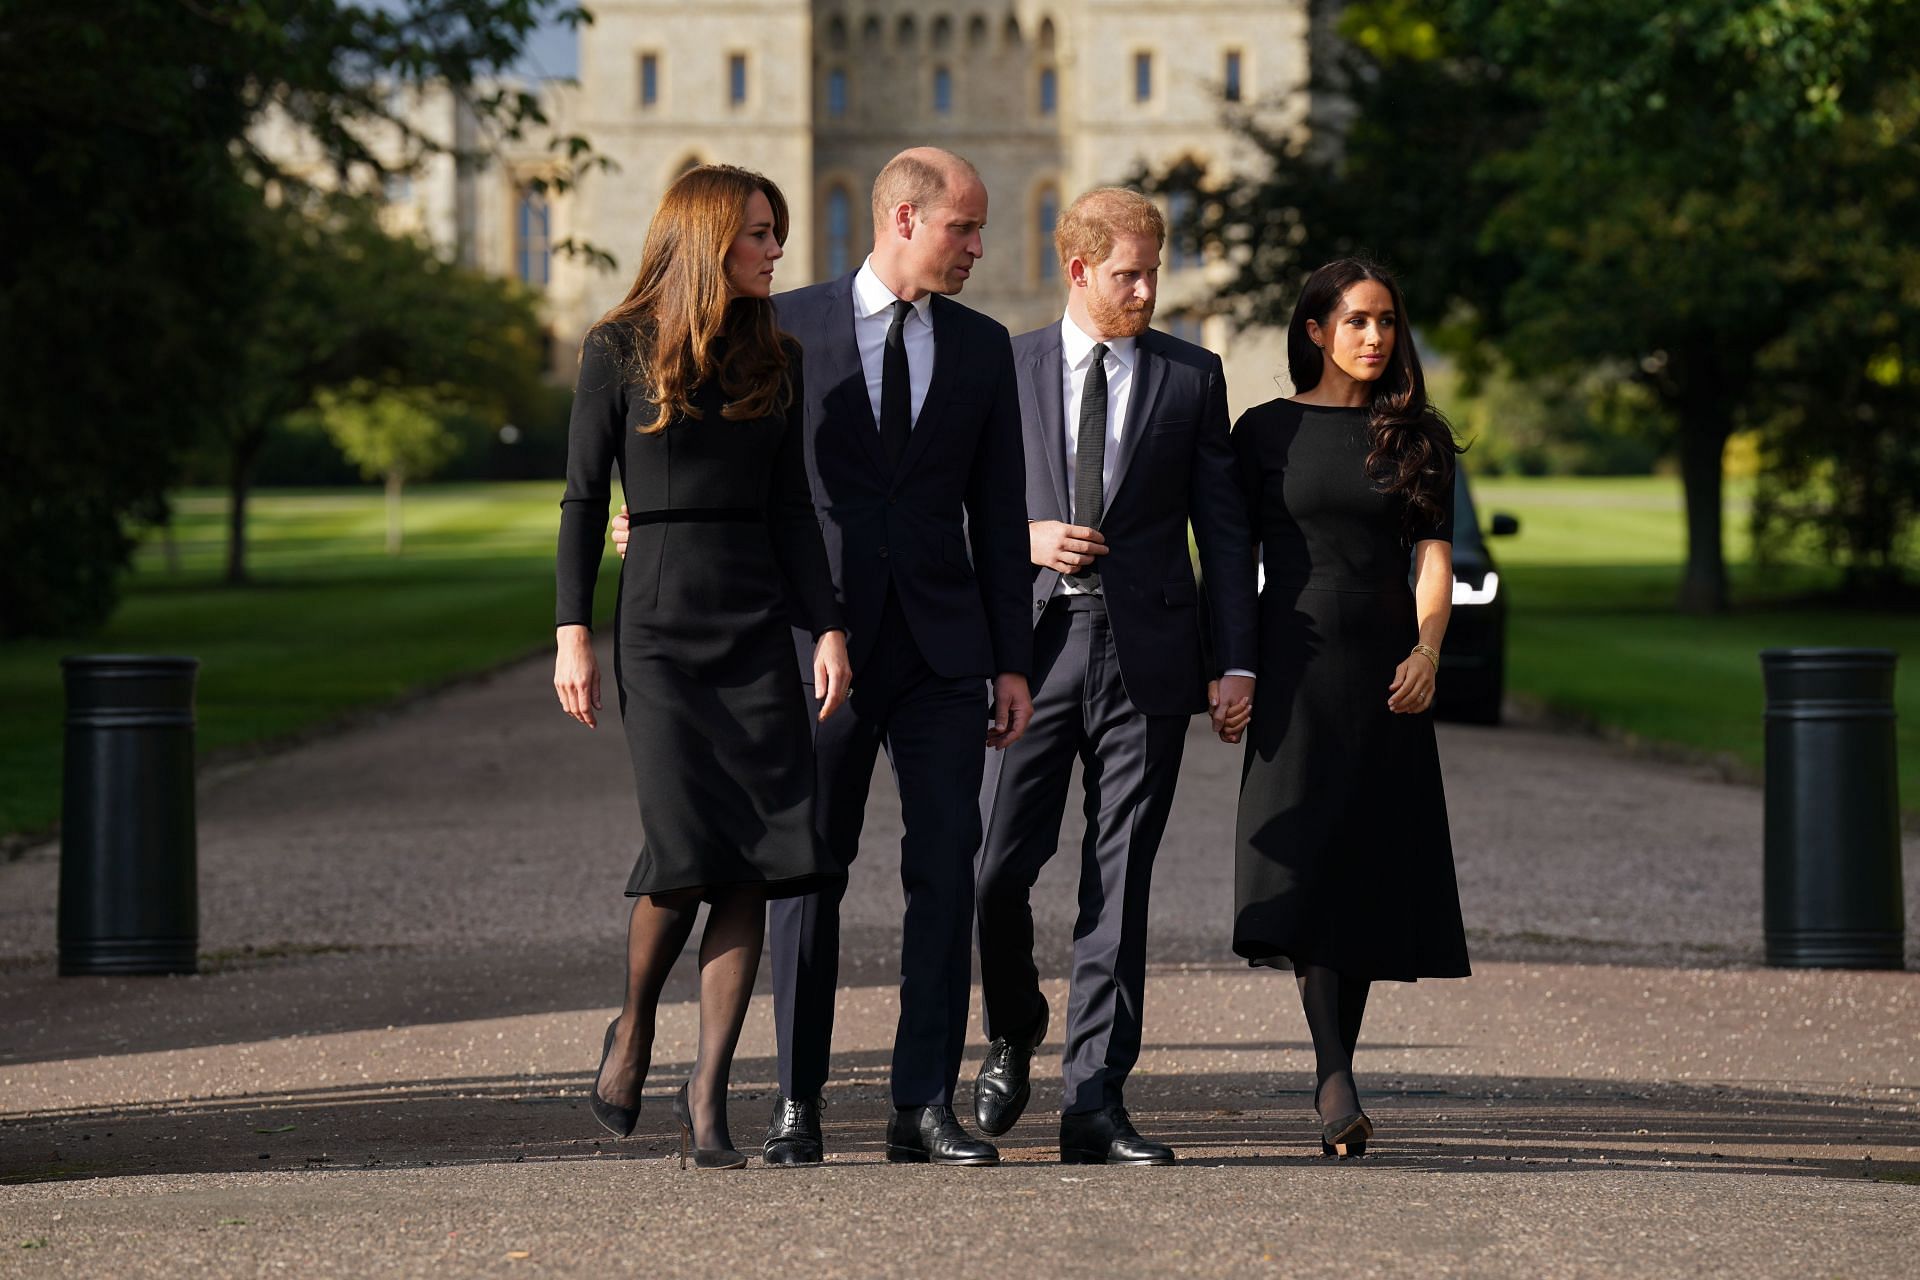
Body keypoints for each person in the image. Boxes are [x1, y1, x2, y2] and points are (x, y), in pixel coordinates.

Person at [613, 147, 1033, 1167]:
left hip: (943, 650)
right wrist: (647, 519)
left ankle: (920, 1102)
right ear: (900, 217)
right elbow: (689, 434)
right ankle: (795, 1098)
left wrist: (1012, 660)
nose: (979, 247)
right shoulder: (782, 324)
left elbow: (1002, 507)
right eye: (963, 229)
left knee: (946, 867)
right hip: (815, 645)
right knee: (806, 873)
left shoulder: (985, 348)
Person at [553, 165, 851, 1171]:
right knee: (683, 853)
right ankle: (633, 1023)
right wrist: (570, 632)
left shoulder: (780, 353)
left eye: (778, 230)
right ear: (710, 236)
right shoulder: (618, 346)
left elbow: (794, 508)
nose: (776, 250)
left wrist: (827, 628)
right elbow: (584, 501)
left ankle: (709, 1094)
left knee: (758, 862)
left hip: (756, 617)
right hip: (661, 625)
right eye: (761, 233)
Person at [967, 188, 1258, 1165]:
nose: (1145, 290)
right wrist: (1025, 539)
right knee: (992, 869)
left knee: (1119, 879)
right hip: (1032, 655)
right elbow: (947, 513)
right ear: (1078, 268)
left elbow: (1221, 526)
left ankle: (1094, 1099)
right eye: (1128, 273)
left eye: (1153, 272)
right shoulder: (999, 368)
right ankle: (1014, 1025)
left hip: (1152, 664)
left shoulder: (1191, 375)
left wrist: (1235, 659)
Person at [1230, 257, 1471, 1159]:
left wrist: (1428, 651)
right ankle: (1337, 1080)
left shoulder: (1415, 437)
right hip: (1293, 670)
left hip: (1384, 672)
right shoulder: (1262, 434)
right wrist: (1233, 669)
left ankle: (1337, 1076)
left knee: (1362, 873)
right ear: (1316, 330)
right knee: (1305, 863)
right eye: (1358, 321)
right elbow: (1226, 561)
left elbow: (1434, 564)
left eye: (1387, 322)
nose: (1376, 337)